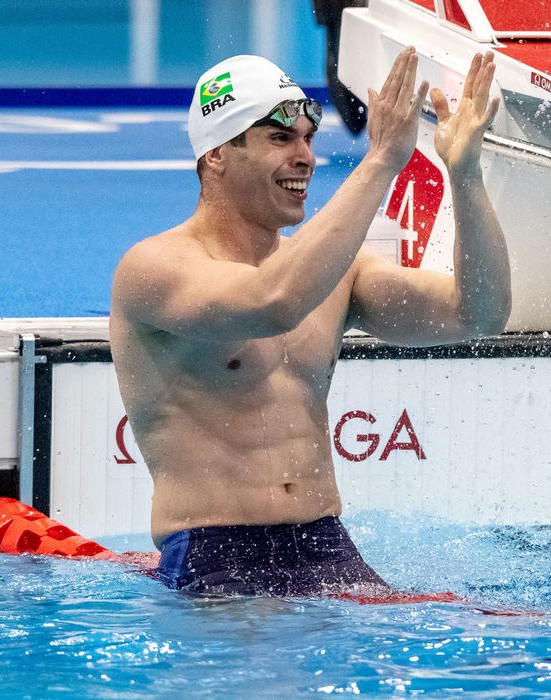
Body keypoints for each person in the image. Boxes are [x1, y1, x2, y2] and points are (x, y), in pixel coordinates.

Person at [109, 48, 511, 596]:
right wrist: (379, 162)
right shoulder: (154, 269)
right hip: (215, 554)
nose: (306, 157)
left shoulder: (332, 275)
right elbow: (275, 301)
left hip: (328, 544)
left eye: (308, 138)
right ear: (219, 153)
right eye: (281, 139)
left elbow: (478, 313)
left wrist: (465, 175)